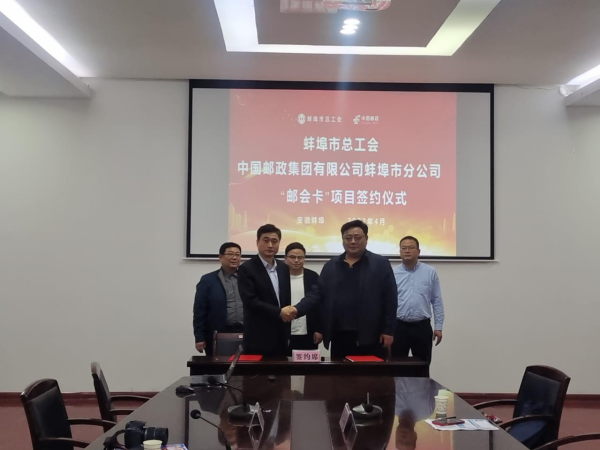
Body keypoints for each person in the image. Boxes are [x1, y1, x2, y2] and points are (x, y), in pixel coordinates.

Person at [283, 220, 397, 358]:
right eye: (348, 238)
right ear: (343, 240)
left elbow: (390, 299)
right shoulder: (332, 265)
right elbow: (316, 293)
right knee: (340, 372)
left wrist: (388, 330)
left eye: (357, 237)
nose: (353, 241)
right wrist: (297, 309)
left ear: (366, 239)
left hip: (371, 335)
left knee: (370, 372)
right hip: (339, 335)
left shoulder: (380, 264)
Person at [392, 236, 444, 376]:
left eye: (411, 247)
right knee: (396, 369)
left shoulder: (430, 272)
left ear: (418, 251)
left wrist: (438, 327)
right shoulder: (393, 273)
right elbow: (387, 302)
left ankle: (422, 391)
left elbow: (437, 300)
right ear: (400, 252)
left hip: (422, 327)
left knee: (422, 368)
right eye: (404, 248)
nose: (407, 250)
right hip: (398, 327)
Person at [238, 224, 291, 356]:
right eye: (266, 240)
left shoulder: (284, 268)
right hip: (257, 337)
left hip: (281, 336)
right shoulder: (247, 268)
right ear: (257, 242)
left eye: (274, 241)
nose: (270, 245)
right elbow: (250, 301)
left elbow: (285, 299)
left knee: (283, 369)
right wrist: (279, 312)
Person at [193, 242, 243, 356]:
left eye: (237, 254)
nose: (234, 257)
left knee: (246, 366)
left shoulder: (247, 279)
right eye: (230, 254)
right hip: (218, 334)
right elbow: (199, 311)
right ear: (220, 257)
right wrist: (199, 337)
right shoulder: (208, 280)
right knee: (218, 365)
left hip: (244, 332)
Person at [284, 242, 322, 353]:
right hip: (283, 331)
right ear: (285, 258)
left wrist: (320, 329)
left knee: (306, 363)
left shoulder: (313, 276)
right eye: (292, 257)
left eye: (300, 257)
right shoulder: (279, 276)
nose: (296, 260)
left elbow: (319, 305)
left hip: (308, 332)